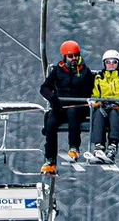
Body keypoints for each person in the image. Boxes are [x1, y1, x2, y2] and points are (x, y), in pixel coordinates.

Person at [38, 41, 94, 172]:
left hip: (78, 107)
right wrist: (53, 98)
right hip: (61, 106)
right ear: (65, 57)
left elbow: (89, 91)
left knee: (72, 113)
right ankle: (50, 160)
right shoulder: (58, 71)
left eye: (76, 56)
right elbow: (44, 88)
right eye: (71, 56)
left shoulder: (85, 72)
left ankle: (74, 147)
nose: (74, 59)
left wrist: (82, 101)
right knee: (51, 121)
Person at [87, 50, 119, 162]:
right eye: (108, 62)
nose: (111, 64)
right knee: (98, 114)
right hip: (104, 107)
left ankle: (113, 146)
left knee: (114, 113)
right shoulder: (99, 78)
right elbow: (95, 96)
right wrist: (99, 102)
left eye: (114, 62)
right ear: (104, 64)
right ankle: (99, 146)